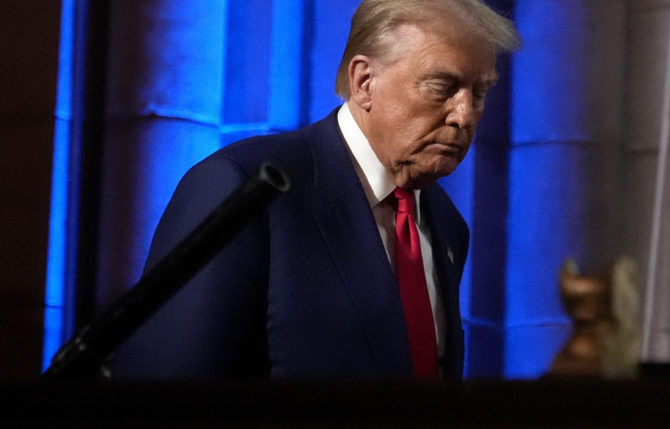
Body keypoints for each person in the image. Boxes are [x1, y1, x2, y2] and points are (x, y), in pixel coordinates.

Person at [111, 0, 519, 380]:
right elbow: (164, 394)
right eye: (441, 86)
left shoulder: (447, 225)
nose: (465, 115)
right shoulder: (244, 187)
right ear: (364, 82)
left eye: (479, 93)